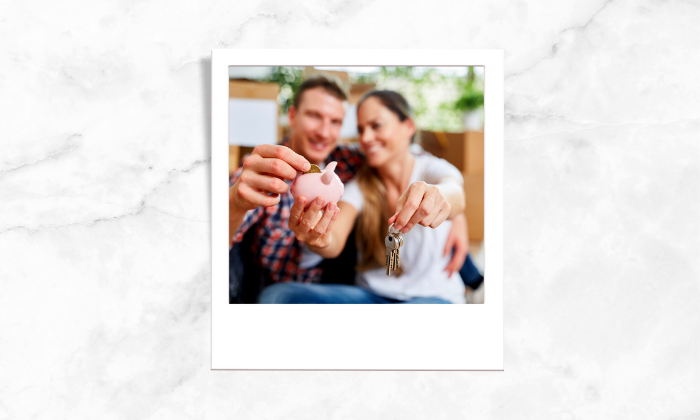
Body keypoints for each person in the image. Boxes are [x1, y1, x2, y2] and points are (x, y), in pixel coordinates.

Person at [229, 74, 471, 301]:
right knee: (275, 297)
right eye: (314, 115)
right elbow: (333, 239)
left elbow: (438, 178)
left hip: (422, 292)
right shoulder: (262, 173)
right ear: (292, 116)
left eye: (335, 122)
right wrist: (234, 203)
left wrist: (452, 211)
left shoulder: (350, 160)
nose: (365, 139)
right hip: (305, 283)